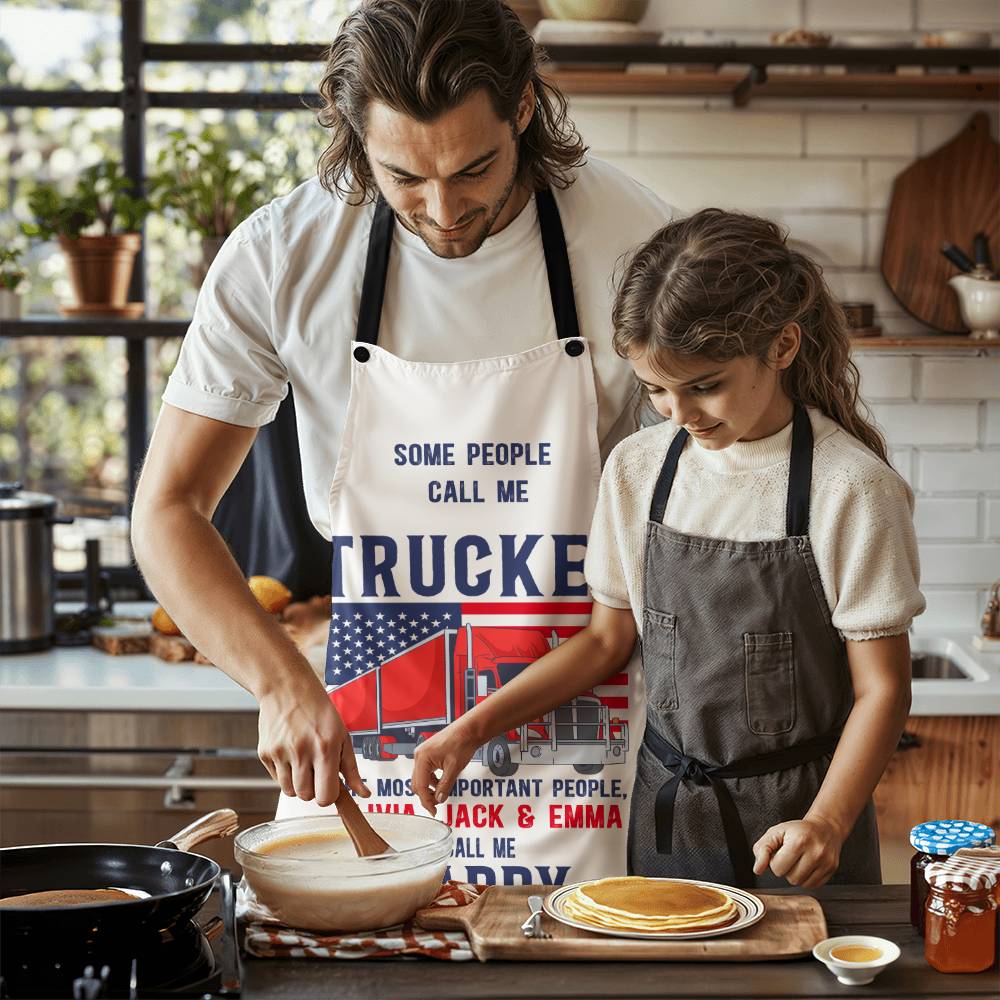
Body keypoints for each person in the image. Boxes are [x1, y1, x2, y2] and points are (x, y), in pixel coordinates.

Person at [131, 0, 675, 885]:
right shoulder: (282, 256)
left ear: (526, 110)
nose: (444, 209)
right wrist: (279, 686)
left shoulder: (635, 243)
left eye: (474, 170)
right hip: (358, 737)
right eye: (403, 178)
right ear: (354, 136)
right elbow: (166, 511)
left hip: (583, 750)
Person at [412, 208, 925, 888]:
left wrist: (826, 822)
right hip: (668, 819)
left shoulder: (852, 486)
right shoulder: (638, 468)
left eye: (704, 386)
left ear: (782, 346)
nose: (678, 415)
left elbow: (883, 689)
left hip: (798, 829)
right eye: (656, 389)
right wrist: (471, 728)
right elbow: (604, 644)